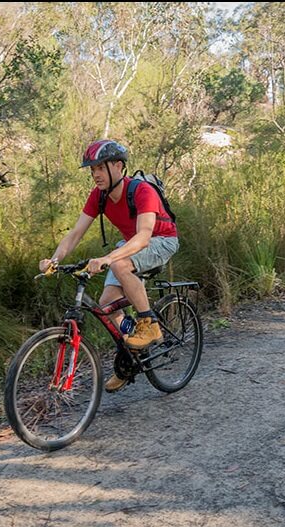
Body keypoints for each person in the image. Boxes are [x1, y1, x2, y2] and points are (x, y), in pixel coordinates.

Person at [39, 139, 179, 391]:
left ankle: (150, 324)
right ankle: (131, 357)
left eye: (100, 168)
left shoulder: (141, 191)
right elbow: (75, 233)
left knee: (119, 264)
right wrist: (54, 259)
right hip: (129, 245)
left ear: (118, 166)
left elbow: (145, 236)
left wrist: (108, 258)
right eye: (92, 170)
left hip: (162, 240)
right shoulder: (99, 197)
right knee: (107, 305)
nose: (95, 175)